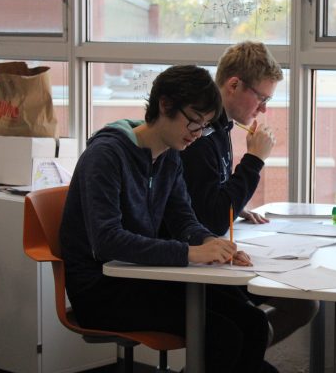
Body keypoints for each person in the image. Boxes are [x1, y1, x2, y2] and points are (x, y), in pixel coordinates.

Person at [60, 65, 277, 373]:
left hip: (144, 276)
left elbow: (183, 219)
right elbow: (107, 241)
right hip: (103, 288)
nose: (197, 134)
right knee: (223, 335)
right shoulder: (106, 155)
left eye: (203, 126)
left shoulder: (170, 154)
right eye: (193, 122)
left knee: (253, 321)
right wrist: (190, 253)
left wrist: (210, 241)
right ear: (164, 106)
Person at [180, 41, 318, 345]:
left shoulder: (222, 128)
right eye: (261, 98)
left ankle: (237, 359)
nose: (264, 109)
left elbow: (208, 195)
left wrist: (236, 203)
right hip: (190, 262)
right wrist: (254, 161)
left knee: (304, 304)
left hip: (205, 247)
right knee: (250, 324)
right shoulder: (199, 135)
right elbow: (214, 219)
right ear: (234, 85)